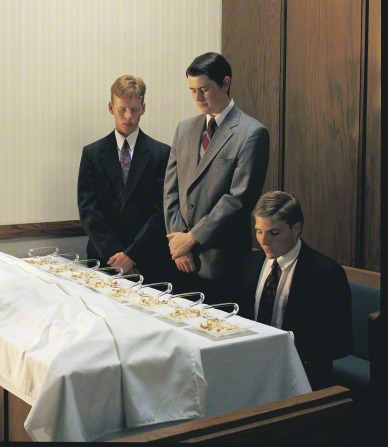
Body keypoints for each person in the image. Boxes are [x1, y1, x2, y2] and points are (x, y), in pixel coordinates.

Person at [164, 52, 269, 303]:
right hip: (180, 258)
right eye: (192, 91)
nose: (198, 98)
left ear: (225, 83)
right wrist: (179, 244)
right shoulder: (184, 128)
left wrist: (192, 239)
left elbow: (238, 199)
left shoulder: (252, 133)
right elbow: (170, 190)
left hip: (221, 262)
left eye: (204, 90)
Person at [238, 191, 353, 390]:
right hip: (250, 366)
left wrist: (285, 351)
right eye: (258, 231)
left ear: (296, 228)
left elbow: (340, 342)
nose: (263, 241)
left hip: (302, 375)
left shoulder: (326, 273)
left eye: (273, 233)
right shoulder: (250, 264)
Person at [78, 75, 175, 283]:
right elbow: (88, 210)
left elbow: (161, 210)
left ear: (144, 108)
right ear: (111, 107)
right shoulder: (92, 154)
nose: (128, 116)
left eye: (134, 109)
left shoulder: (161, 153)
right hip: (104, 258)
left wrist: (132, 255)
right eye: (122, 109)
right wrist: (116, 255)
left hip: (147, 258)